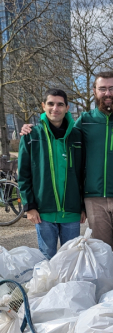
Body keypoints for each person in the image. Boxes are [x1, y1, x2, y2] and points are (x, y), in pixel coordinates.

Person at [21, 72, 113, 255]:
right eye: (102, 89)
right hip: (94, 198)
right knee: (99, 253)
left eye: (112, 88)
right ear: (94, 91)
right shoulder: (85, 121)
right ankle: (106, 285)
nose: (107, 93)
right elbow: (61, 131)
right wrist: (32, 127)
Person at [18, 88, 86, 259]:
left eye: (60, 104)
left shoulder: (77, 136)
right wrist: (29, 206)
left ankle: (68, 287)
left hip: (71, 210)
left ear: (67, 108)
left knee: (71, 259)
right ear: (43, 106)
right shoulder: (31, 135)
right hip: (43, 211)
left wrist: (83, 206)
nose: (55, 108)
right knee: (47, 258)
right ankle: (49, 287)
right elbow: (24, 174)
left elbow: (84, 173)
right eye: (50, 104)